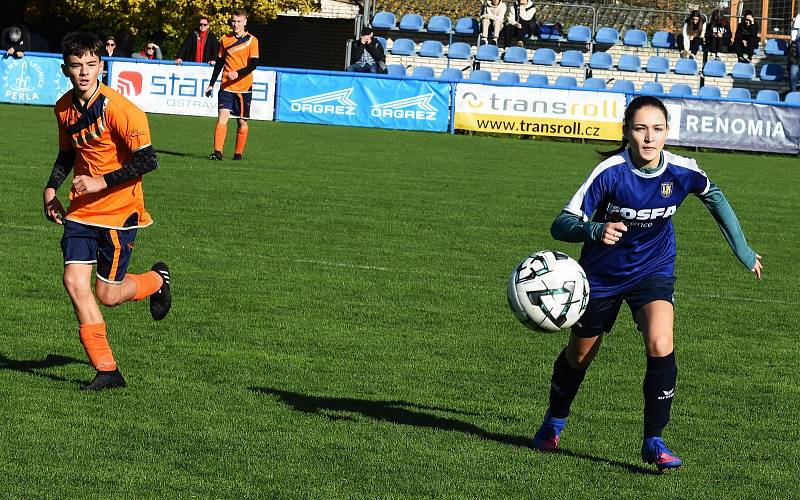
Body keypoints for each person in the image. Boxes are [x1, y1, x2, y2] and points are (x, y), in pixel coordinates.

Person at [531, 95, 762, 472]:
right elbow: (561, 224)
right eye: (640, 129)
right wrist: (594, 228)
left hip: (652, 269)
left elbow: (715, 198)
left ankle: (654, 440)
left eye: (657, 129)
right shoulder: (610, 171)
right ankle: (554, 422)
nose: (649, 138)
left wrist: (744, 250)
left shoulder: (681, 170)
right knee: (580, 355)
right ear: (627, 132)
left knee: (661, 341)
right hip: (601, 276)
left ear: (667, 132)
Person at [43, 32, 172, 391]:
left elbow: (148, 160)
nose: (84, 72)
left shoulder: (120, 109)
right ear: (65, 69)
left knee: (109, 295)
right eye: (76, 65)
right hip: (81, 211)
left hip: (119, 211)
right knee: (73, 281)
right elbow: (68, 153)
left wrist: (101, 181)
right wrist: (52, 186)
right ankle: (107, 369)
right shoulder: (64, 107)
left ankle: (158, 279)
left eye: (90, 64)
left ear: (101, 65)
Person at [204, 9, 260, 161]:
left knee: (242, 122)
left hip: (244, 87)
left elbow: (254, 64)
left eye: (239, 21)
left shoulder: (252, 41)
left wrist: (238, 73)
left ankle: (238, 154)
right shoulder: (225, 39)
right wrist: (211, 84)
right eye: (233, 21)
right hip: (226, 86)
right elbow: (219, 63)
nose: (235, 24)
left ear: (245, 22)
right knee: (223, 117)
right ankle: (217, 152)